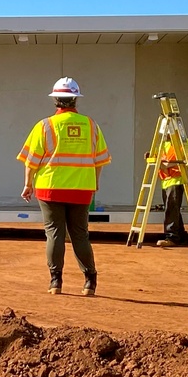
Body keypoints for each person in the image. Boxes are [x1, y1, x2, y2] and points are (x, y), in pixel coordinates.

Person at [17, 77, 111, 295]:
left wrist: (27, 184)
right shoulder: (90, 125)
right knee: (80, 234)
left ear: (56, 100)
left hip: (50, 187)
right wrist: (94, 182)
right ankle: (90, 281)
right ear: (76, 99)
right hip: (82, 188)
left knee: (54, 234)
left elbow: (32, 160)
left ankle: (55, 282)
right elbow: (100, 160)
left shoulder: (45, 125)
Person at [156, 132, 188, 247]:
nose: (166, 134)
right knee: (173, 210)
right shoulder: (162, 145)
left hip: (176, 180)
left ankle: (172, 237)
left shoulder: (182, 142)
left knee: (171, 209)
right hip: (165, 181)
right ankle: (181, 236)